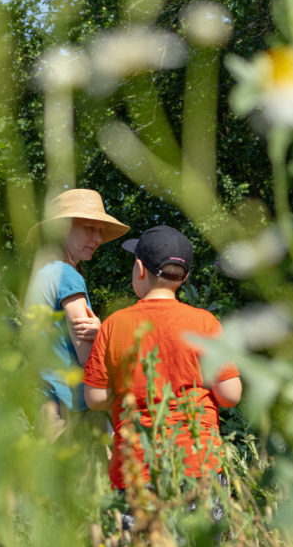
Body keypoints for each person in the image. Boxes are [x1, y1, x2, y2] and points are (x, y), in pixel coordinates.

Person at [83, 225, 242, 492]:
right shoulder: (205, 323)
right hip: (198, 466)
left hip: (137, 469)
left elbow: (95, 397)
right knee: (197, 535)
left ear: (139, 268)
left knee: (142, 535)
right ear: (185, 277)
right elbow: (230, 394)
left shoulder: (113, 325)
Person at [24, 188, 129, 431]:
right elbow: (86, 353)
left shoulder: (42, 274)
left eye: (100, 231)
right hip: (78, 410)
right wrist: (107, 335)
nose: (97, 238)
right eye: (89, 228)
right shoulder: (67, 275)